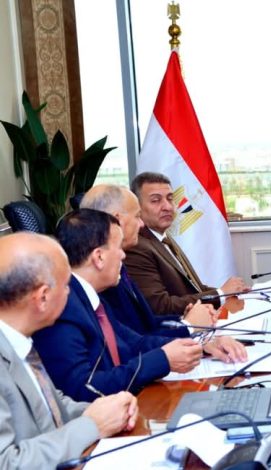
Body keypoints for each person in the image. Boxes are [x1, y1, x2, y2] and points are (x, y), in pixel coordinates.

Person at [33, 209, 243, 402]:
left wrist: (199, 345)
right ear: (99, 257)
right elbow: (82, 389)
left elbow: (134, 344)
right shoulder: (63, 309)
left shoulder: (90, 297)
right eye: (118, 248)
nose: (124, 255)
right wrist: (162, 360)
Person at [0, 232, 138, 468]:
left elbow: (52, 407)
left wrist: (109, 411)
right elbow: (8, 463)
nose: (69, 293)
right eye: (66, 286)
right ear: (43, 297)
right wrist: (92, 426)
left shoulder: (19, 340)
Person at [80, 184, 218, 338]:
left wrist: (184, 319)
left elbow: (146, 324)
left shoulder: (119, 266)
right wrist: (189, 326)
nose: (142, 224)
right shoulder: (103, 276)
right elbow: (132, 342)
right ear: (118, 220)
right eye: (137, 216)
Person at [124, 172, 248, 315]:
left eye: (170, 199)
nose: (167, 207)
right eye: (156, 200)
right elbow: (159, 306)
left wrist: (230, 293)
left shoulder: (164, 237)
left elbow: (193, 288)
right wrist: (220, 293)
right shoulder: (137, 248)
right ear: (138, 208)